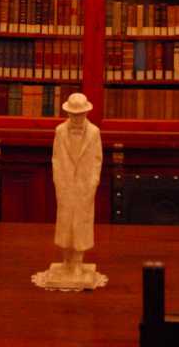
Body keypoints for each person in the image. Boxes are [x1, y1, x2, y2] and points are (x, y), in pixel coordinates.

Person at [52, 92, 102, 279]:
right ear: (68, 114)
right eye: (73, 114)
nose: (76, 118)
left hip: (84, 187)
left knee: (81, 224)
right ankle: (66, 261)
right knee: (65, 223)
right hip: (65, 185)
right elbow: (56, 159)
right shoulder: (59, 131)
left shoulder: (94, 133)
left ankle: (78, 263)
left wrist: (93, 183)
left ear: (86, 113)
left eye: (80, 114)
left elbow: (97, 160)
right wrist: (59, 181)